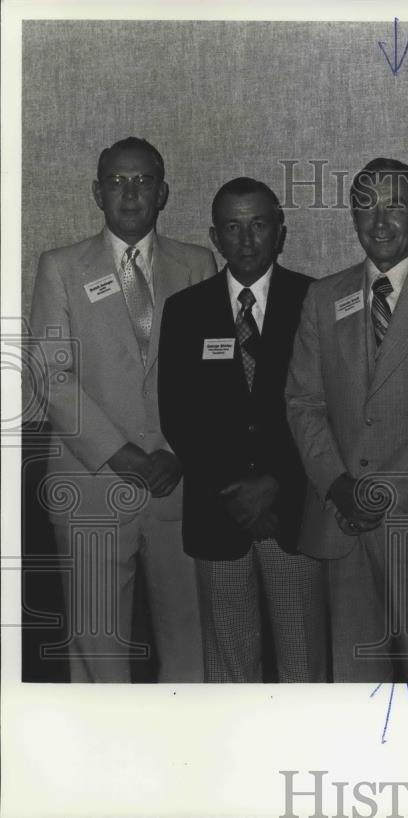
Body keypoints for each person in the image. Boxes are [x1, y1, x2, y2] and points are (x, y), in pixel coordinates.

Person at [285, 158, 408, 682]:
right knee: (353, 674)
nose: (380, 220)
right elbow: (303, 402)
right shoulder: (323, 297)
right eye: (366, 206)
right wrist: (337, 484)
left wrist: (383, 490)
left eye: (394, 205)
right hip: (340, 514)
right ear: (352, 216)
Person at [29, 136, 216, 682]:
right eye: (117, 181)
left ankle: (185, 755)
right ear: (96, 192)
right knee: (97, 651)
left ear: (162, 192)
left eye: (142, 181)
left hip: (179, 484)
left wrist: (178, 452)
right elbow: (49, 374)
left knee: (191, 646)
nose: (130, 193)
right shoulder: (60, 267)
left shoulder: (197, 263)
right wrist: (123, 453)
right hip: (91, 485)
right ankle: (102, 759)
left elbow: (213, 377)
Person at [158, 177, 326, 682]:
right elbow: (179, 416)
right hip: (219, 513)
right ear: (214, 237)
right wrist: (233, 492)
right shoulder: (185, 310)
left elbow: (325, 408)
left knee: (303, 666)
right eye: (232, 228)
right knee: (230, 670)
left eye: (258, 225)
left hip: (292, 514)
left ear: (280, 230)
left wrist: (274, 483)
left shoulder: (313, 300)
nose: (246, 240)